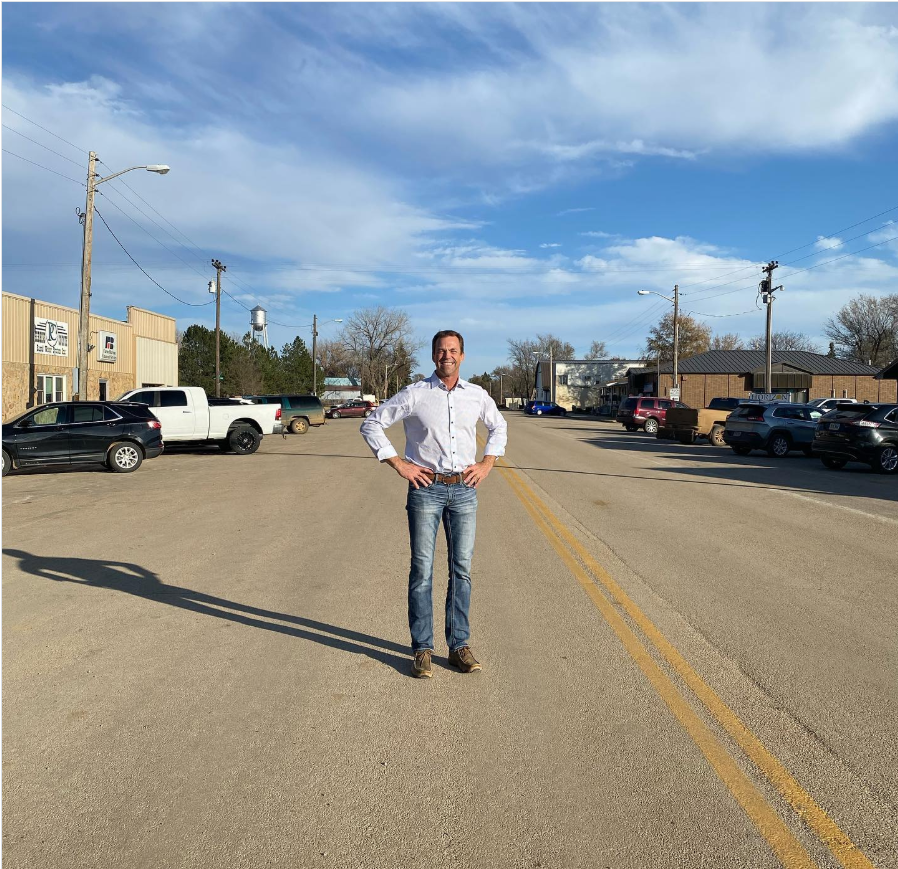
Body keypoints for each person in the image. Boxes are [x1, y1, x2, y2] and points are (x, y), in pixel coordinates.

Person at [360, 330, 508, 678]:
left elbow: (499, 427)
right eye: (441, 351)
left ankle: (458, 646)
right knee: (422, 570)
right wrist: (399, 464)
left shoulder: (477, 395)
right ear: (433, 356)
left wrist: (487, 463)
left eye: (453, 350)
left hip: (464, 490)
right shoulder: (415, 394)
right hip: (426, 489)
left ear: (462, 355)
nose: (447, 356)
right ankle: (422, 649)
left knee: (461, 570)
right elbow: (372, 424)